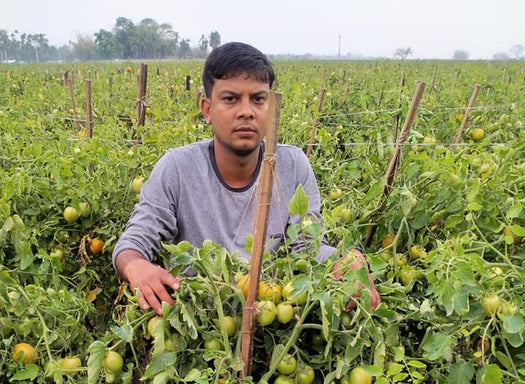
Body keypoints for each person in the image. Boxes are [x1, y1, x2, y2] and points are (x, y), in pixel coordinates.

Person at [113, 42, 380, 314]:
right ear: (207, 109)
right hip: (199, 321)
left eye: (258, 99)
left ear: (272, 107)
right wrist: (137, 266)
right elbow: (134, 242)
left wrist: (347, 259)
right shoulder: (177, 169)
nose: (246, 112)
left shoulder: (292, 165)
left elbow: (306, 248)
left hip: (271, 320)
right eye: (230, 99)